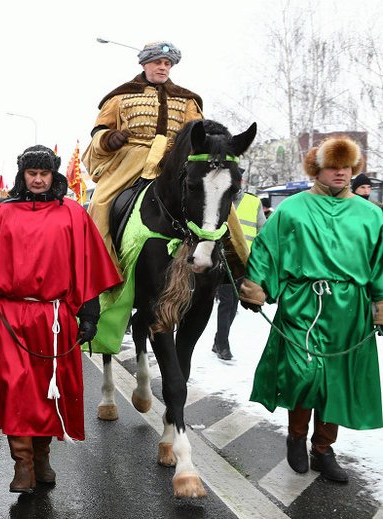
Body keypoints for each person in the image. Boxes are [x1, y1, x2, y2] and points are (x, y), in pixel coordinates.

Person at [0, 146, 121, 493]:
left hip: (54, 317)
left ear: (53, 176)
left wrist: (89, 315)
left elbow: (88, 265)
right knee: (13, 389)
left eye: (43, 173)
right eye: (31, 173)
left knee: (49, 394)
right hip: (8, 315)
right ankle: (22, 466)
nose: (37, 179)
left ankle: (42, 458)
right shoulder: (0, 214)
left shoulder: (73, 214)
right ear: (22, 175)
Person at [239, 136, 383, 483]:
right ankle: (296, 435)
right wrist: (256, 286)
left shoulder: (371, 214)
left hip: (350, 310)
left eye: (346, 167)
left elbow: (380, 263)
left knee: (336, 380)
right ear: (317, 169)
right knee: (304, 376)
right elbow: (267, 249)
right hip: (303, 302)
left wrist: (380, 303)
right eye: (333, 166)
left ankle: (322, 450)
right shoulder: (292, 208)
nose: (341, 173)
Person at [82, 41, 204, 264]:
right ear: (145, 63)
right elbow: (100, 130)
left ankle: (237, 269)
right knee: (99, 203)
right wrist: (110, 138)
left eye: (167, 63)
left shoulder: (187, 100)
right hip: (131, 159)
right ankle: (99, 268)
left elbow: (197, 135)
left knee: (218, 206)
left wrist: (180, 152)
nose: (163, 67)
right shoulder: (119, 96)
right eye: (158, 62)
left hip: (175, 161)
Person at [212, 189, 266, 360]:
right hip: (223, 261)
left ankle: (218, 340)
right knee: (227, 303)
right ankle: (222, 344)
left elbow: (262, 233)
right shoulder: (218, 200)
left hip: (244, 262)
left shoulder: (253, 202)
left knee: (234, 305)